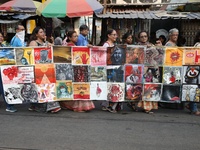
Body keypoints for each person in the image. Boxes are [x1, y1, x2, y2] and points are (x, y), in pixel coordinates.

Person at [59, 30, 95, 112]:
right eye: (74, 36)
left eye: (77, 36)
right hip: (72, 69)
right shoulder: (69, 46)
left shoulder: (75, 45)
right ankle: (77, 105)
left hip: (77, 69)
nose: (76, 38)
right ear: (69, 37)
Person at [28, 27, 61, 113]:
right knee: (39, 88)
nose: (43, 33)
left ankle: (52, 105)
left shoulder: (46, 42)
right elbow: (31, 54)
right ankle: (37, 105)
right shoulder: (34, 42)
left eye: (43, 32)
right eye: (41, 32)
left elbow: (55, 49)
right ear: (36, 34)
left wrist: (52, 43)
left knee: (48, 87)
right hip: (37, 68)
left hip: (46, 68)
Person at [134, 31, 158, 114]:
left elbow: (157, 56)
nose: (144, 38)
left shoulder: (151, 45)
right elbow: (134, 57)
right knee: (141, 88)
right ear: (139, 38)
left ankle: (148, 107)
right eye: (142, 36)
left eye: (145, 36)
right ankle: (140, 105)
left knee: (149, 87)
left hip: (150, 70)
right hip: (141, 69)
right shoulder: (137, 46)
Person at [0, 31, 17, 112]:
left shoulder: (5, 45)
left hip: (5, 69)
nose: (0, 38)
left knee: (4, 86)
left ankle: (9, 105)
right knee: (3, 87)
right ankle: (9, 105)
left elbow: (11, 54)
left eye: (1, 36)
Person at [185, 31, 200, 116]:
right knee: (195, 88)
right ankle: (193, 108)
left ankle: (191, 105)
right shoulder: (198, 45)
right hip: (196, 69)